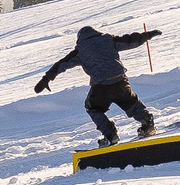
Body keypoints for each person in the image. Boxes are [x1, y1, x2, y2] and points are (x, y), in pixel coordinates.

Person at [34, 24, 162, 144]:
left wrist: (46, 79)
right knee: (130, 102)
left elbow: (61, 65)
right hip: (120, 80)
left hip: (102, 86)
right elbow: (130, 41)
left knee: (92, 107)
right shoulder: (108, 39)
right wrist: (148, 35)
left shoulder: (80, 50)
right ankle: (147, 122)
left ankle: (110, 135)